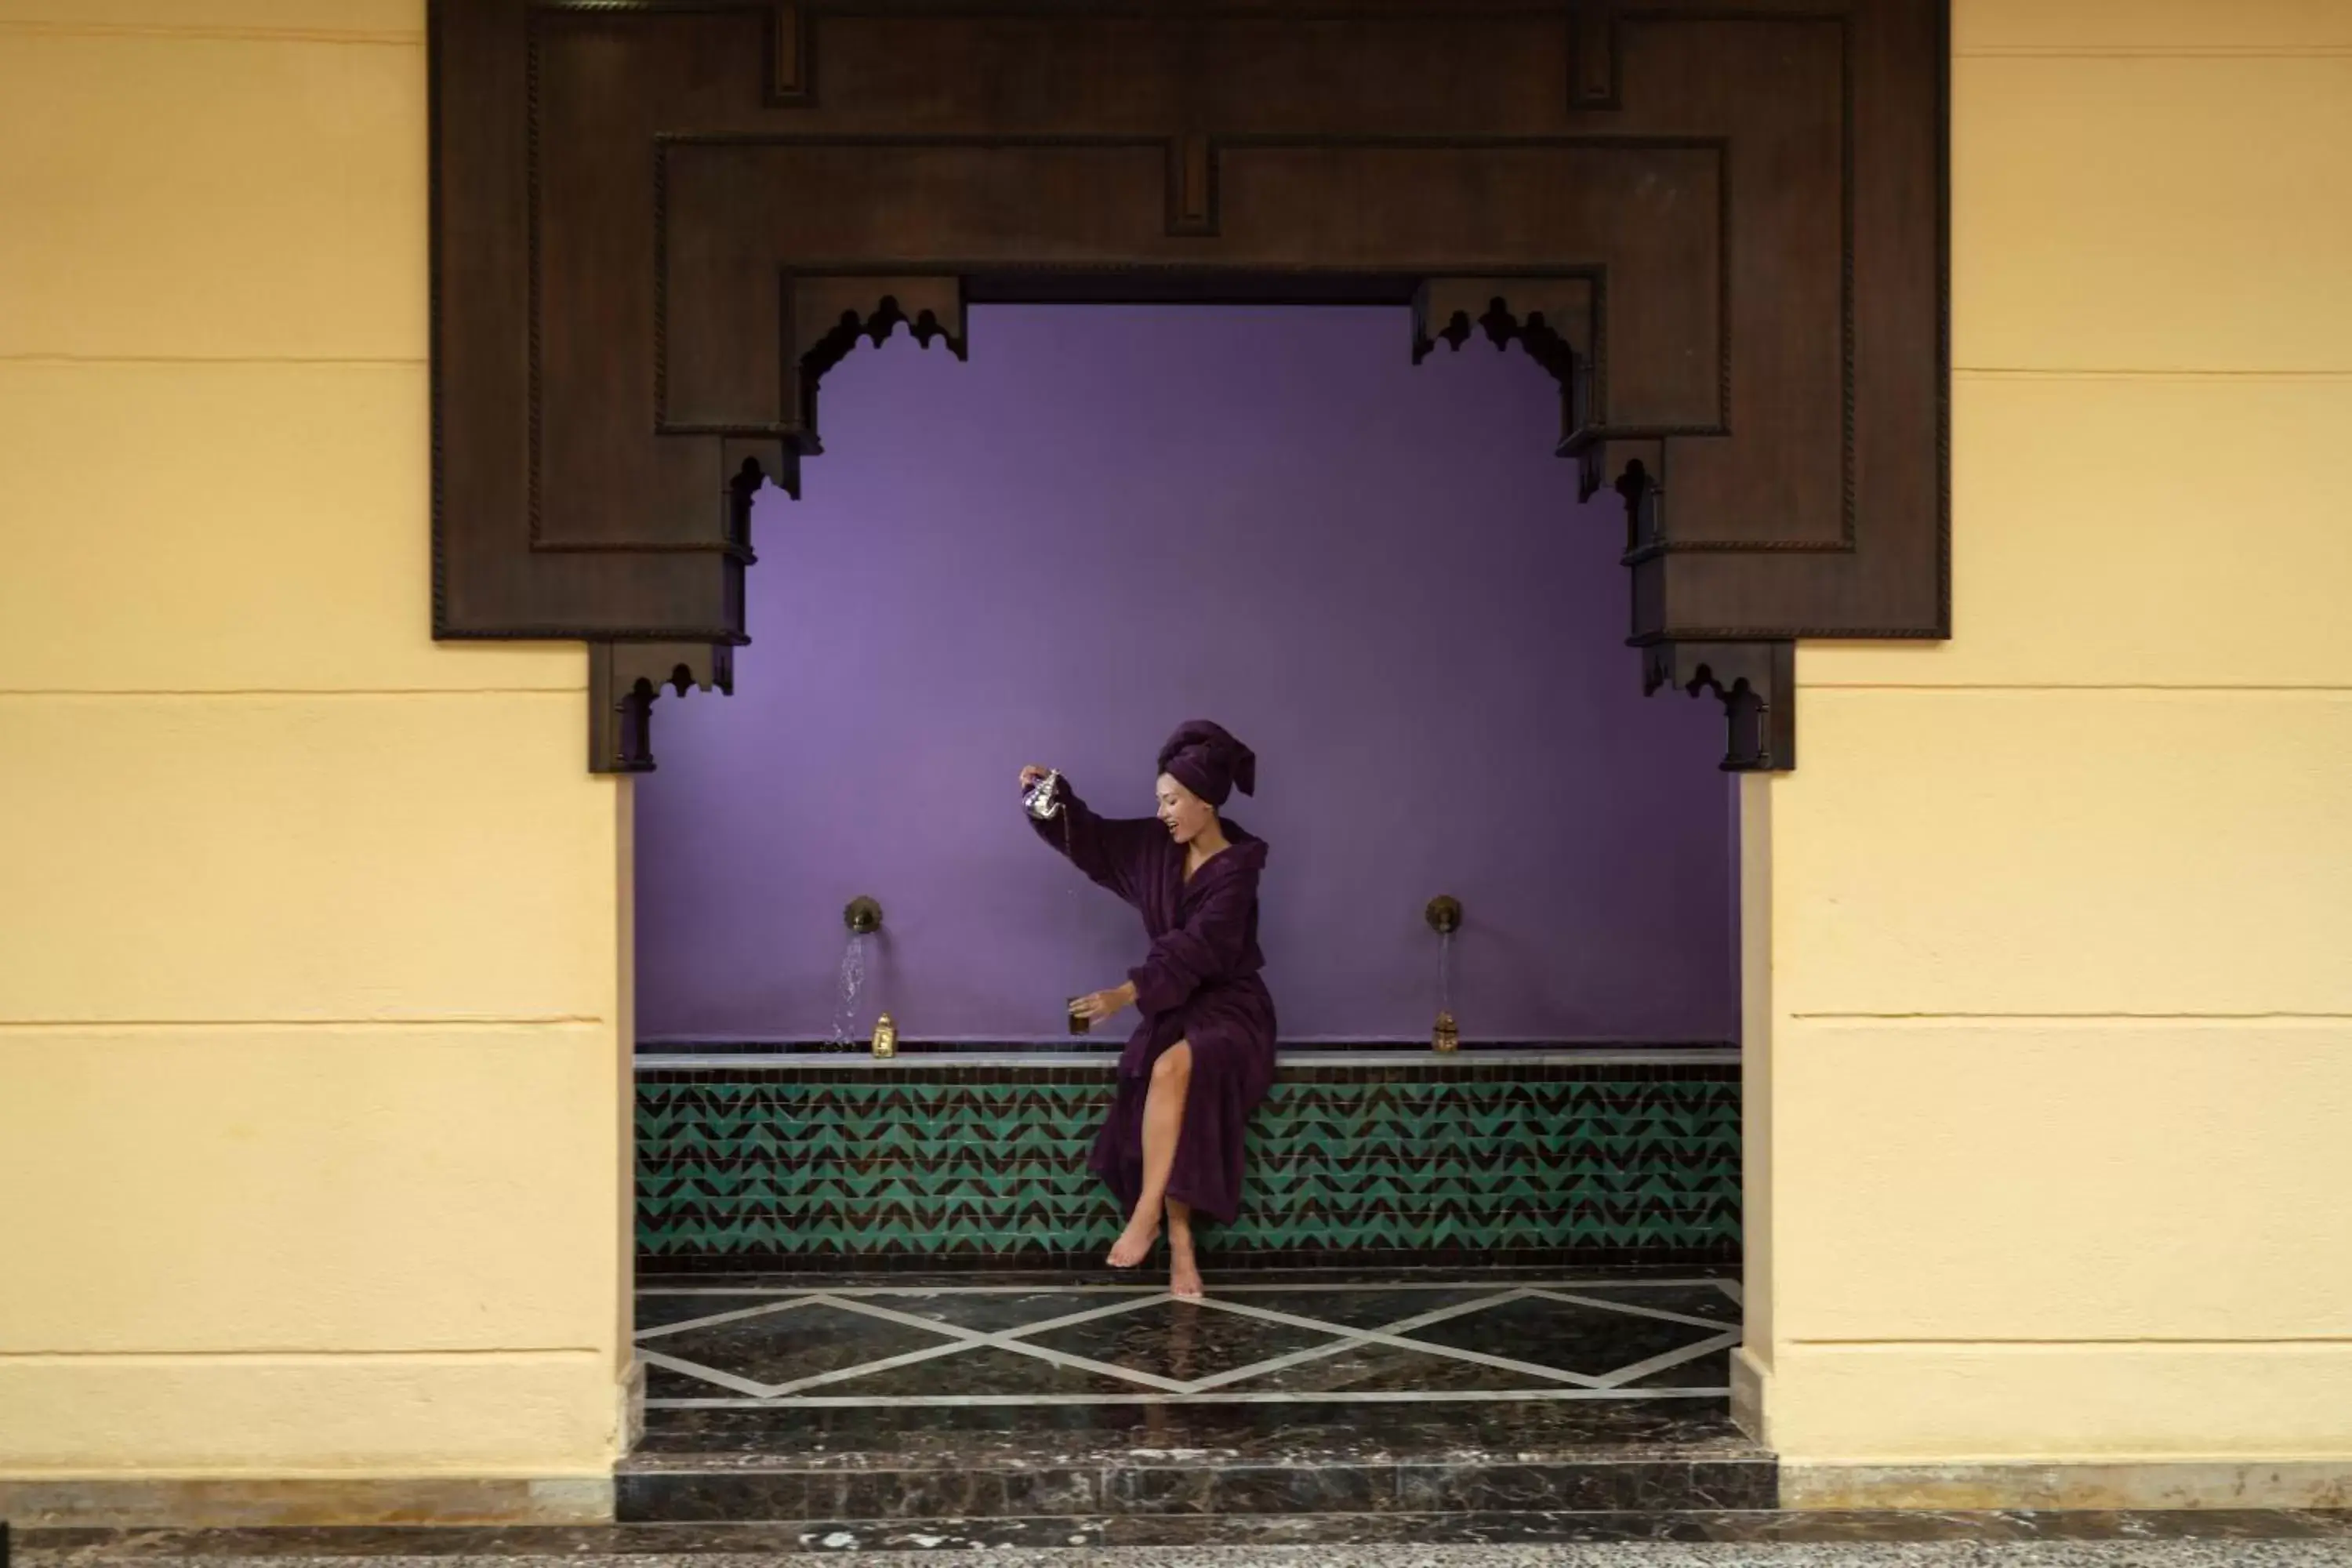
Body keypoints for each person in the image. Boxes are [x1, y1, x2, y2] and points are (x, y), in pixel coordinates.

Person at [1018, 720, 1276, 1299]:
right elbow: (1095, 841)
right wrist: (1047, 796)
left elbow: (1197, 949)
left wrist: (1123, 994)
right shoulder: (1158, 850)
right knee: (1166, 1076)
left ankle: (1148, 1213)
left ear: (1206, 803)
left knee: (1171, 1070)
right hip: (1175, 1006)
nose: (1163, 812)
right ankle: (1180, 1242)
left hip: (1233, 1010)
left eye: (1174, 801)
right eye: (1159, 800)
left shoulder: (1238, 872)